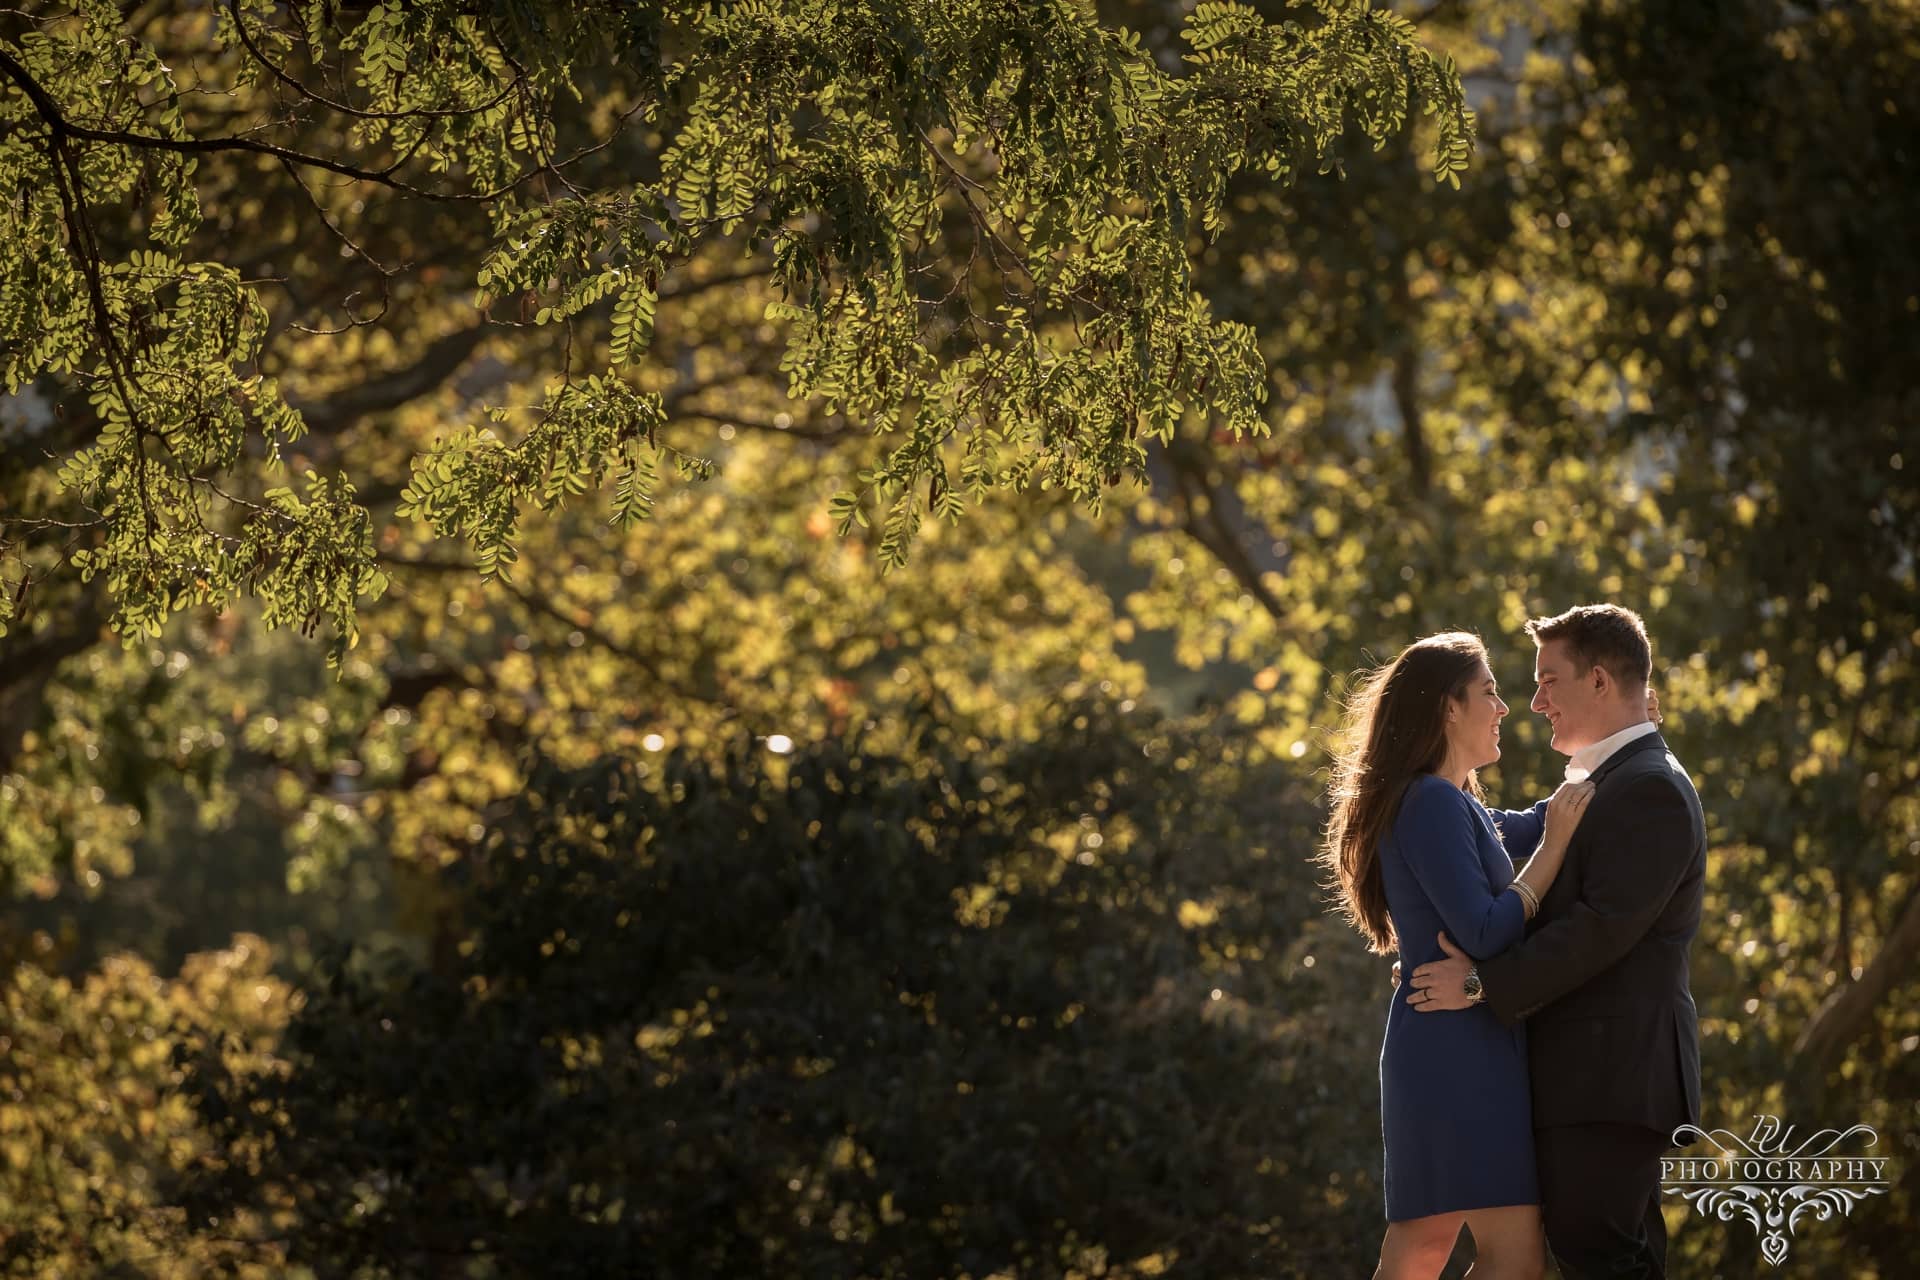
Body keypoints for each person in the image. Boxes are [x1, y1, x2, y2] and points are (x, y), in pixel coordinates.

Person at [1406, 605, 1706, 1279]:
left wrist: (1480, 984)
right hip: (1594, 1083)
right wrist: (1412, 781)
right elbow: (1498, 830)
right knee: (1616, 1259)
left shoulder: (1649, 789)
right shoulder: (1606, 780)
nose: (1533, 702)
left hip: (1610, 1081)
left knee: (1598, 1260)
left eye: (1548, 680)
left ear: (1599, 683)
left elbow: (1598, 932)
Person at [1321, 630, 1597, 1279]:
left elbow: (1527, 822)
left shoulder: (1447, 802)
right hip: (1457, 1057)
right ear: (1449, 708)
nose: (1504, 707)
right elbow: (1485, 932)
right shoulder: (1431, 803)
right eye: (1490, 692)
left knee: (1422, 1251)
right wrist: (1553, 852)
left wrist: (1604, 759)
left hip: (1455, 1046)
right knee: (1508, 1259)